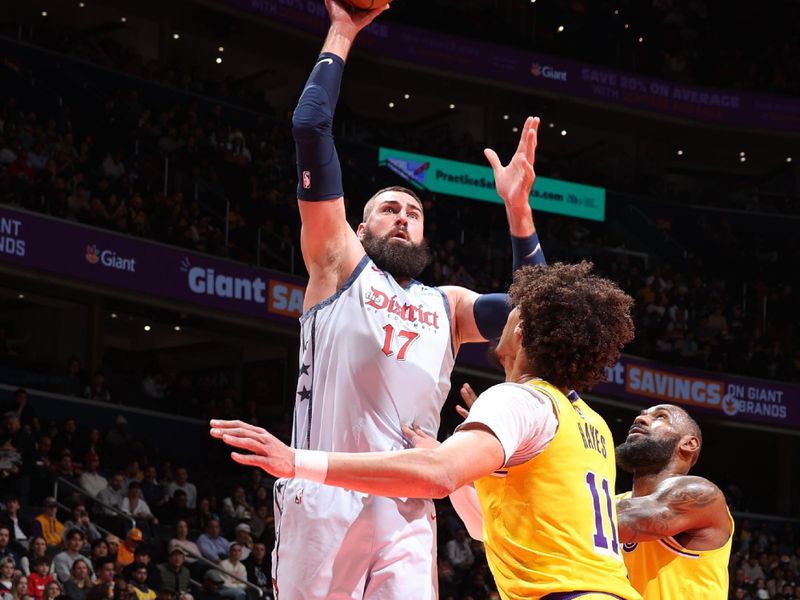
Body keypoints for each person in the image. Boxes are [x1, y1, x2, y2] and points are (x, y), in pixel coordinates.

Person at [235, 0, 546, 595]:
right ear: (359, 227)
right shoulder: (337, 265)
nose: (404, 218)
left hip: (407, 508)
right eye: (388, 209)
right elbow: (309, 128)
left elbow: (542, 314)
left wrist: (519, 212)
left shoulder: (447, 307)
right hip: (325, 496)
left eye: (415, 212)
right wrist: (343, 29)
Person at [211, 262, 640, 600]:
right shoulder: (591, 424)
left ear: (522, 331)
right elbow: (484, 528)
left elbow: (438, 474)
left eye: (516, 314)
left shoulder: (516, 400)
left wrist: (296, 460)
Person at [615, 404, 733, 599]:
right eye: (641, 415)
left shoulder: (701, 494)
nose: (640, 419)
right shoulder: (614, 501)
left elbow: (599, 520)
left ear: (689, 444)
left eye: (661, 417)